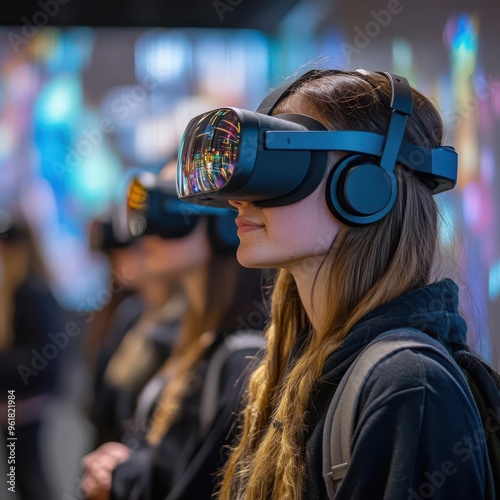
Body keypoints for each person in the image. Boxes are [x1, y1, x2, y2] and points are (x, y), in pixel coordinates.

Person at [175, 69, 496, 499]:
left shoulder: (407, 386)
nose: (240, 198)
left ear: (366, 186)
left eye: (279, 165)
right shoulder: (292, 369)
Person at [81, 165, 268, 500]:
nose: (147, 229)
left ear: (225, 221)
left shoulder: (243, 356)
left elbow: (203, 483)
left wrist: (122, 478)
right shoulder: (195, 335)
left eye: (168, 206)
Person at [0, 210, 67, 500]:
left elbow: (43, 357)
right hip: (16, 400)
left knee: (25, 476)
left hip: (22, 402)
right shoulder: (17, 287)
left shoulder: (32, 289)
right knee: (20, 477)